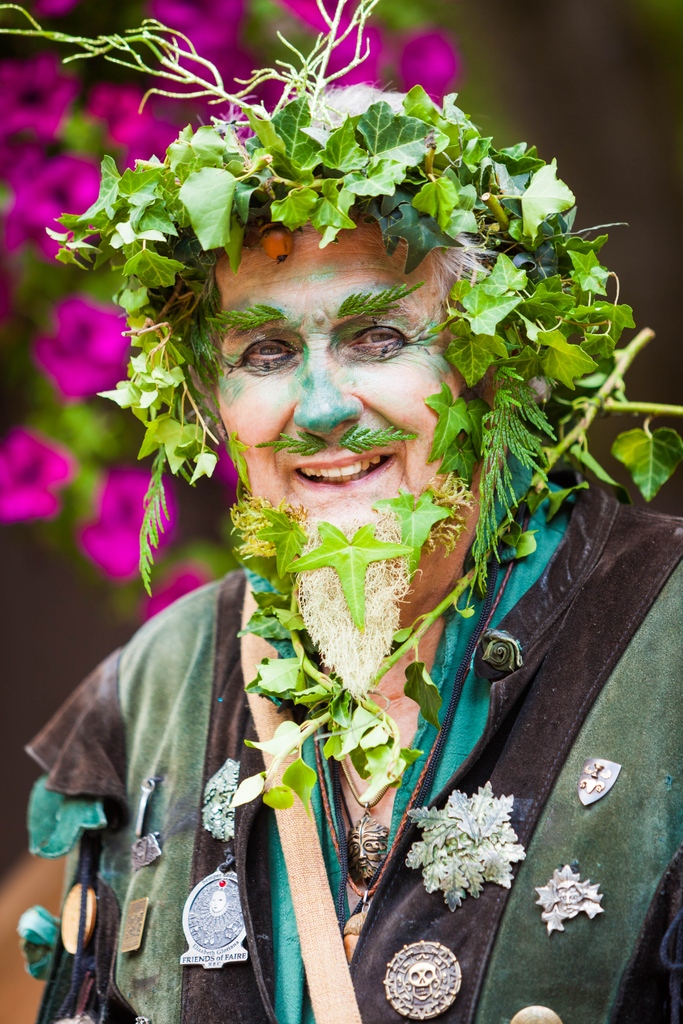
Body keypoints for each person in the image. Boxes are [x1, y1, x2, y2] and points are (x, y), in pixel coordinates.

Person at [9, 8, 683, 1024]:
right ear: (214, 406)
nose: (320, 409)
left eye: (375, 336)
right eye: (264, 355)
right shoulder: (155, 689)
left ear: (485, 366)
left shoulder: (665, 645)